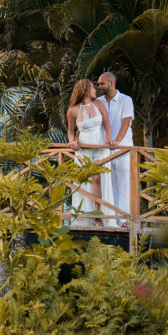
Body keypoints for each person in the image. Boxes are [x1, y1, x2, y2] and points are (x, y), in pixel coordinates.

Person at [66, 79, 113, 226]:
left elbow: (107, 124)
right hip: (84, 149)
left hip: (99, 146)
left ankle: (99, 216)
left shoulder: (99, 105)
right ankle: (85, 217)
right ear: (85, 89)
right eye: (93, 87)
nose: (95, 90)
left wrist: (109, 140)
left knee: (98, 179)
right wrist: (72, 141)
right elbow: (70, 130)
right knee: (85, 182)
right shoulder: (73, 110)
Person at [96, 72, 134, 227]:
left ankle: (124, 220)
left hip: (123, 147)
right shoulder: (98, 101)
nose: (98, 87)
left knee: (125, 183)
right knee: (109, 185)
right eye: (98, 84)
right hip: (105, 149)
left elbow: (126, 122)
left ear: (111, 83)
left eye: (101, 84)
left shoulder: (126, 100)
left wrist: (117, 142)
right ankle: (112, 220)